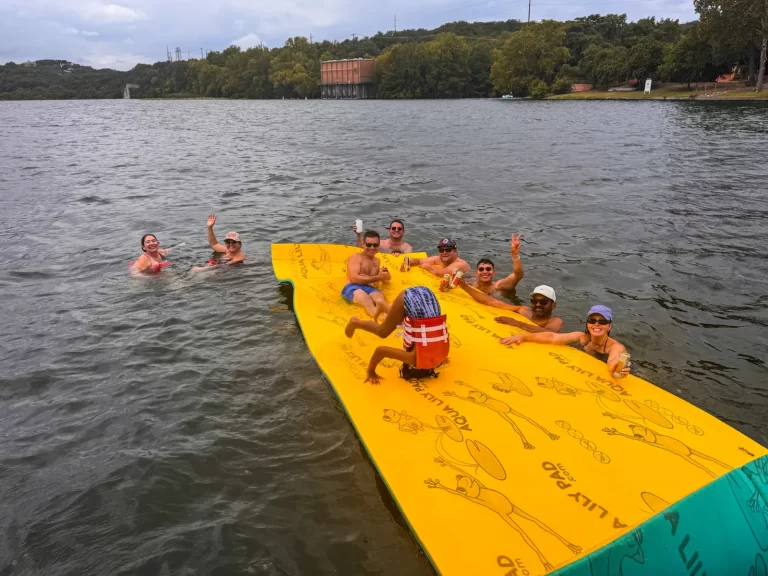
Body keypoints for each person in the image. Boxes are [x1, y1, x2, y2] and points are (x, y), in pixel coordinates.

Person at [345, 286, 449, 384]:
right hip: (409, 298)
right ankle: (355, 322)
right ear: (411, 366)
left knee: (408, 324)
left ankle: (384, 306)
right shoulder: (413, 359)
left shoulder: (441, 356)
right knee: (383, 332)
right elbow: (380, 350)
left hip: (428, 295)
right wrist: (371, 371)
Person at [500, 305, 631, 377]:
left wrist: (616, 368)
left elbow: (612, 361)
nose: (596, 324)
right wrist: (523, 337)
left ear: (609, 326)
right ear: (587, 323)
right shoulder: (581, 337)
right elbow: (552, 337)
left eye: (602, 321)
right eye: (592, 320)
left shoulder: (615, 347)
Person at [459, 280, 562, 332]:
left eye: (543, 302)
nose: (538, 305)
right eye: (534, 301)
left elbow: (548, 333)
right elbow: (492, 302)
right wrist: (464, 286)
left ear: (553, 305)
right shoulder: (524, 311)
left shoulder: (555, 321)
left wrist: (516, 323)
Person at [342, 230, 391, 319]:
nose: (372, 247)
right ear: (363, 244)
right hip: (352, 287)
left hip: (369, 288)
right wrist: (377, 277)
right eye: (369, 245)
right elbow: (354, 279)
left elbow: (374, 283)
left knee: (380, 299)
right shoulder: (356, 257)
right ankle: (383, 320)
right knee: (365, 298)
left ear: (378, 246)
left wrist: (384, 277)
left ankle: (391, 317)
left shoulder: (377, 261)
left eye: (375, 245)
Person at [402, 238, 471, 277]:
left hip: (469, 281)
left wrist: (428, 267)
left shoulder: (460, 264)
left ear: (455, 251)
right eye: (441, 250)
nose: (444, 252)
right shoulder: (439, 258)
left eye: (448, 250)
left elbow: (442, 273)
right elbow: (419, 261)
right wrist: (409, 262)